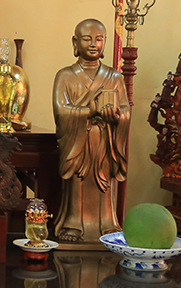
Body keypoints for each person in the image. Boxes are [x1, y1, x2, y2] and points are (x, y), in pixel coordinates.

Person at [53, 19, 130, 242]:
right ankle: (73, 224)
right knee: (77, 183)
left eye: (99, 39)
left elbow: (125, 110)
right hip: (78, 143)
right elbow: (61, 111)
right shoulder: (65, 75)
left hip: (105, 142)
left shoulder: (114, 77)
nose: (93, 44)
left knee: (103, 183)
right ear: (75, 42)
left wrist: (117, 116)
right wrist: (90, 111)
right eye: (87, 39)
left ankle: (107, 224)